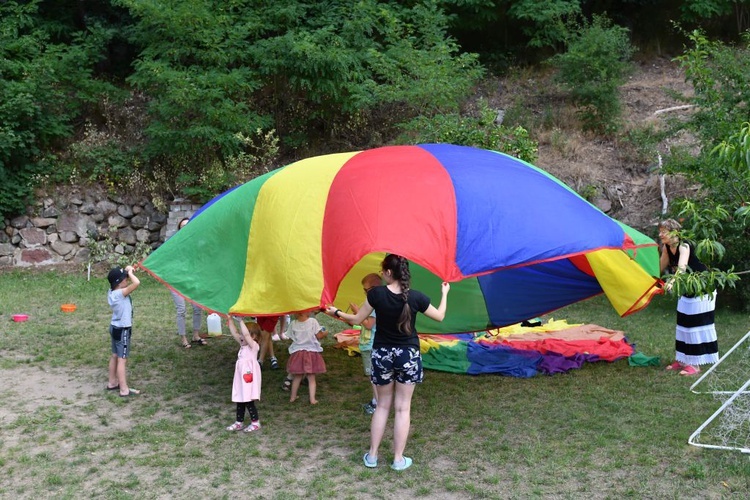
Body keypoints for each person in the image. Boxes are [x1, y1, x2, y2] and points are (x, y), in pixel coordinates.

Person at [326, 254, 450, 471]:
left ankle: (372, 456)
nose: (381, 274)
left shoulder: (376, 294)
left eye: (382, 271)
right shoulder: (417, 297)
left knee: (382, 406)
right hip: (408, 355)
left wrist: (335, 312)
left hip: (382, 354)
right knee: (403, 409)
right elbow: (440, 316)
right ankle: (398, 459)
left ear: (389, 273)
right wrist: (444, 293)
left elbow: (356, 320)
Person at [659, 219, 719, 376]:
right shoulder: (667, 247)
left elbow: (682, 269)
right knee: (683, 325)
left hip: (702, 290)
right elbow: (659, 268)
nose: (660, 234)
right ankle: (683, 360)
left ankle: (696, 364)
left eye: (663, 231)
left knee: (695, 325)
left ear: (674, 232)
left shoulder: (684, 245)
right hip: (687, 289)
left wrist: (672, 281)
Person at [347, 273, 382, 414]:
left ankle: (377, 404)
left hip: (371, 345)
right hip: (368, 344)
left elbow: (368, 325)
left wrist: (357, 313)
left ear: (374, 289)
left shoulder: (375, 306)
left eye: (366, 290)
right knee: (373, 375)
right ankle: (377, 401)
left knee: (373, 376)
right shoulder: (373, 304)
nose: (364, 293)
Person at [170, 217, 206, 349]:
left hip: (191, 280)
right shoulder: (173, 244)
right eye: (182, 226)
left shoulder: (196, 244)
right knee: (181, 310)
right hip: (176, 280)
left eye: (188, 225)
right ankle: (183, 338)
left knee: (198, 308)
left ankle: (196, 335)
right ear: (179, 229)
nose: (185, 228)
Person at [106, 265, 141, 397]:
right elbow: (137, 283)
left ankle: (112, 382)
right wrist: (131, 273)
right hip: (123, 330)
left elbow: (118, 280)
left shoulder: (111, 292)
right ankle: (124, 389)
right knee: (122, 359)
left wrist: (127, 270)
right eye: (125, 279)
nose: (127, 280)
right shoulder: (121, 293)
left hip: (114, 327)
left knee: (115, 355)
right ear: (120, 283)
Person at [225, 318, 263, 433]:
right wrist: (229, 319)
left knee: (248, 400)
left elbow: (246, 335)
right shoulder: (243, 345)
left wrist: (240, 321)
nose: (241, 336)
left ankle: (255, 423)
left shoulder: (254, 346)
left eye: (244, 334)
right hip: (241, 378)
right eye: (241, 334)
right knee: (240, 399)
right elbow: (235, 333)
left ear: (254, 336)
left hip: (249, 378)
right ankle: (239, 422)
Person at [286, 311, 327, 404]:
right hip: (311, 352)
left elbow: (290, 337)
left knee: (297, 376)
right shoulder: (313, 321)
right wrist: (325, 333)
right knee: (311, 378)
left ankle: (292, 397)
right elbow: (319, 335)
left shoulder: (293, 323)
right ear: (306, 312)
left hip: (298, 353)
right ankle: (312, 399)